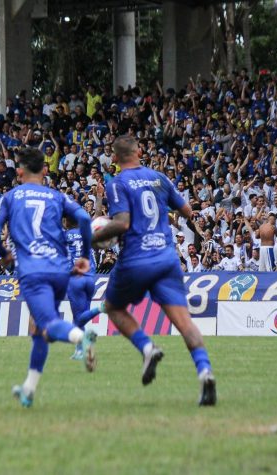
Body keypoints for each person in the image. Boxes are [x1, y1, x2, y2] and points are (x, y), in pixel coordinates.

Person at [92, 135, 216, 406]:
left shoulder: (117, 183)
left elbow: (123, 224)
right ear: (139, 152)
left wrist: (95, 233)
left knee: (113, 307)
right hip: (166, 259)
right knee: (185, 323)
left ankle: (147, 348)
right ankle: (205, 372)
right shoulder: (159, 177)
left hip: (136, 260)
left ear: (114, 158)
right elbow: (186, 210)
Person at [0, 147, 97, 408]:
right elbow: (83, 218)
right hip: (60, 271)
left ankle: (81, 338)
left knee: (47, 323)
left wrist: (4, 254)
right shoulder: (57, 196)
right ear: (45, 170)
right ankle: (28, 390)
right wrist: (83, 253)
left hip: (33, 271)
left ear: (20, 172)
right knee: (38, 330)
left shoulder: (10, 197)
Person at [65, 216, 105, 360]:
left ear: (66, 222)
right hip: (90, 279)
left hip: (75, 279)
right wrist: (99, 199)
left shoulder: (65, 236)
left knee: (78, 319)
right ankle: (81, 349)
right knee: (81, 317)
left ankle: (101, 308)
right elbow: (98, 219)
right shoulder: (87, 233)